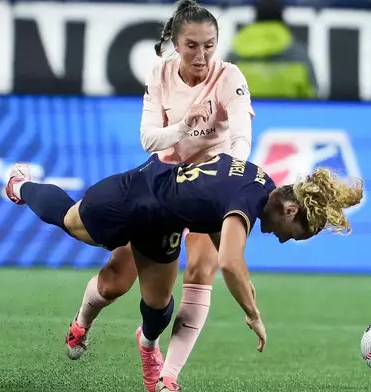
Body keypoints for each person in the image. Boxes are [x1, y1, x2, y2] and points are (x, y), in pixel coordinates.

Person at [5, 153, 363, 392]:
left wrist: (245, 282)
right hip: (133, 196)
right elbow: (229, 261)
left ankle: (149, 351)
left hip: (162, 224)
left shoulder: (261, 184)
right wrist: (252, 314)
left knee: (159, 307)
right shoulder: (251, 202)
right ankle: (20, 185)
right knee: (70, 221)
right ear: (289, 211)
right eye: (294, 235)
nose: (285, 241)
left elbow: (221, 228)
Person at [64, 1, 256, 391]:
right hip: (164, 186)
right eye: (192, 46)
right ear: (175, 42)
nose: (201, 55)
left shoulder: (229, 76)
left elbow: (241, 136)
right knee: (116, 281)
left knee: (203, 269)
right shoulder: (160, 74)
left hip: (208, 191)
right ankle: (82, 321)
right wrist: (185, 125)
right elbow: (150, 139)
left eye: (209, 45)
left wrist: (227, 174)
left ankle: (167, 375)